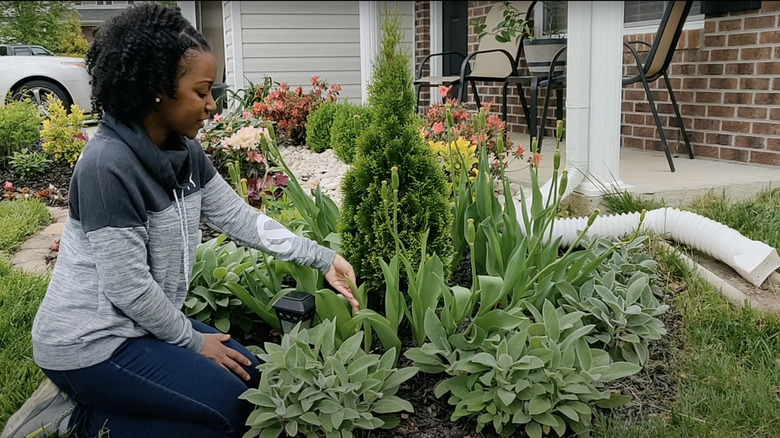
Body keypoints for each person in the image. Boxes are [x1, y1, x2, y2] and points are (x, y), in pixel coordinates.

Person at [1, 3, 360, 438]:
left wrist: (322, 258)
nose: (212, 105)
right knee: (232, 413)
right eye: (202, 91)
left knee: (258, 381)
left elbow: (239, 218)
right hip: (90, 344)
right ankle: (85, 424)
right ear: (157, 89)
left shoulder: (184, 152)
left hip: (144, 327)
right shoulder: (107, 166)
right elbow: (128, 288)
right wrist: (193, 342)